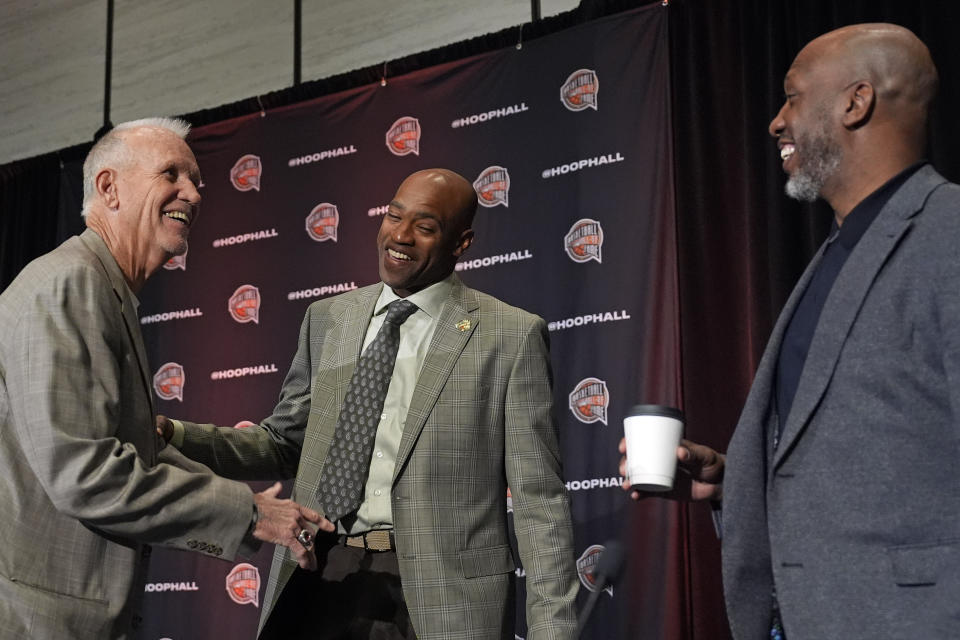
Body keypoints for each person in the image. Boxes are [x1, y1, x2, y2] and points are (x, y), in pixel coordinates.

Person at [620, 23, 959, 638]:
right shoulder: (835, 254)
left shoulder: (949, 234)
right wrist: (734, 485)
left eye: (793, 96)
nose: (776, 121)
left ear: (856, 102)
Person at [159, 168, 579, 639]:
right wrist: (175, 435)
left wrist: (553, 631)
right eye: (393, 216)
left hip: (442, 596)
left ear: (461, 243)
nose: (399, 236)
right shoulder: (330, 318)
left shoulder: (510, 336)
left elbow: (539, 501)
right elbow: (283, 443)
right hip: (322, 572)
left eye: (424, 226)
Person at [0, 118, 332, 640]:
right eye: (171, 173)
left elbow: (136, 451)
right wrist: (248, 513)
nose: (193, 193)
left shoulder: (104, 290)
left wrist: (259, 508)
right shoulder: (70, 284)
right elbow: (84, 473)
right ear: (108, 187)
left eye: (196, 179)